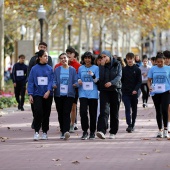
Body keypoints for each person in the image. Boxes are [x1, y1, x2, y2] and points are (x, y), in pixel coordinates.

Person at [27, 50, 53, 141]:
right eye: (45, 56)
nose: (47, 58)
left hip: (48, 94)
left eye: (47, 56)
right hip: (37, 94)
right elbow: (31, 82)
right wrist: (30, 94)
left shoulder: (50, 68)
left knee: (46, 113)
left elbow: (51, 81)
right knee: (38, 112)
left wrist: (49, 91)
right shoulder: (34, 69)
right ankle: (37, 131)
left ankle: (45, 132)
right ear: (40, 57)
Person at [96, 50, 122, 139]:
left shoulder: (117, 64)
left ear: (109, 56)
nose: (103, 59)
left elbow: (119, 76)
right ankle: (101, 131)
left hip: (115, 90)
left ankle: (113, 132)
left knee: (114, 112)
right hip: (104, 91)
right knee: (104, 111)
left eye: (104, 57)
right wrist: (102, 67)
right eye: (101, 57)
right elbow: (101, 78)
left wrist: (111, 83)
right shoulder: (101, 66)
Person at [53, 53, 78, 140]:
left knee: (66, 112)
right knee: (60, 113)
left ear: (68, 59)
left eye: (64, 58)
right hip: (58, 95)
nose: (63, 60)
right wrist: (54, 85)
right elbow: (54, 80)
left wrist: (76, 84)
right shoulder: (57, 70)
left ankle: (65, 131)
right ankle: (62, 129)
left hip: (69, 95)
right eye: (61, 59)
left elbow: (76, 80)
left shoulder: (73, 70)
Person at [147, 52, 170, 138]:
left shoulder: (168, 68)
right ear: (155, 61)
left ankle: (165, 129)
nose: (160, 63)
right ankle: (160, 130)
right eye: (158, 62)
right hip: (156, 92)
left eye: (161, 61)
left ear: (164, 60)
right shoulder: (153, 69)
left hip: (166, 91)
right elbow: (149, 80)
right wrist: (150, 87)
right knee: (158, 111)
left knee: (165, 109)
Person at [78, 51, 99, 140]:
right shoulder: (80, 68)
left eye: (89, 58)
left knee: (93, 113)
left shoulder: (96, 68)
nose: (87, 60)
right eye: (85, 58)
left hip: (93, 93)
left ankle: (92, 132)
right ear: (83, 59)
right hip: (83, 93)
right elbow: (78, 77)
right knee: (83, 112)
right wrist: (78, 80)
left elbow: (97, 81)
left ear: (92, 59)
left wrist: (93, 75)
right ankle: (85, 131)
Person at [121, 52, 142, 133]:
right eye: (128, 59)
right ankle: (129, 124)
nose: (129, 60)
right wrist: (122, 90)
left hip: (134, 93)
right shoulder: (123, 70)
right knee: (127, 108)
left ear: (134, 59)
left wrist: (135, 90)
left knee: (134, 109)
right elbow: (121, 81)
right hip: (126, 93)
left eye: (131, 59)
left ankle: (133, 123)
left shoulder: (137, 69)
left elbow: (139, 81)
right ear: (126, 60)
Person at [163, 50, 170, 137]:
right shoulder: (161, 67)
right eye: (166, 58)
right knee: (166, 109)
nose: (167, 60)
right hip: (163, 91)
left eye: (168, 58)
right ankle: (166, 127)